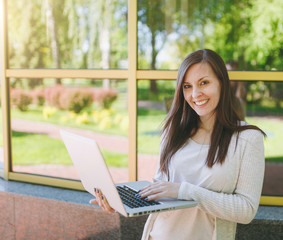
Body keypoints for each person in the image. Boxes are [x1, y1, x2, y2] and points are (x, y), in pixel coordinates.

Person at [91, 49, 265, 240]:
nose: (195, 94)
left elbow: (246, 210)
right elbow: (161, 186)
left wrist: (184, 191)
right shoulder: (173, 131)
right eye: (187, 86)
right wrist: (123, 202)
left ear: (222, 83)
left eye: (204, 83)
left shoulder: (248, 138)